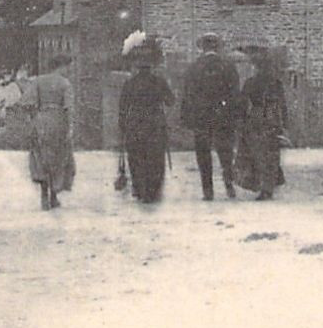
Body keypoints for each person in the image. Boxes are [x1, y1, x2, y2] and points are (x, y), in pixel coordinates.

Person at [180, 33, 240, 200]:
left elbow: (188, 94)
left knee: (203, 154)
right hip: (223, 115)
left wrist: (187, 117)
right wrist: (234, 114)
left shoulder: (194, 67)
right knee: (226, 152)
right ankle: (229, 185)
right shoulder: (228, 66)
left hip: (202, 116)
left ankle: (208, 191)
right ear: (217, 47)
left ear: (203, 47)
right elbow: (235, 93)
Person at [118, 35, 174, 203]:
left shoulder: (130, 83)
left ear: (137, 66)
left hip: (135, 122)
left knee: (136, 156)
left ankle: (139, 188)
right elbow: (170, 101)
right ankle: (153, 191)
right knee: (155, 157)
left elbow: (123, 107)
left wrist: (122, 126)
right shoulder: (159, 81)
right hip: (155, 122)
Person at [21, 56, 77, 210]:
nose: (68, 70)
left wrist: (34, 119)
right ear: (61, 66)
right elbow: (69, 108)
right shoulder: (65, 83)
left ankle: (44, 194)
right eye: (67, 67)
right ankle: (54, 196)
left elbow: (27, 103)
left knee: (41, 156)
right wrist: (70, 127)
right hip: (58, 121)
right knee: (59, 157)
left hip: (41, 120)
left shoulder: (38, 81)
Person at [238, 51, 287, 200]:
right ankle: (269, 186)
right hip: (273, 119)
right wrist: (285, 123)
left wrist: (242, 120)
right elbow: (282, 105)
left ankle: (261, 185)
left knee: (258, 152)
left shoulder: (250, 83)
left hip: (257, 118)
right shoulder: (276, 83)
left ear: (257, 67)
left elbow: (242, 103)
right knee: (272, 154)